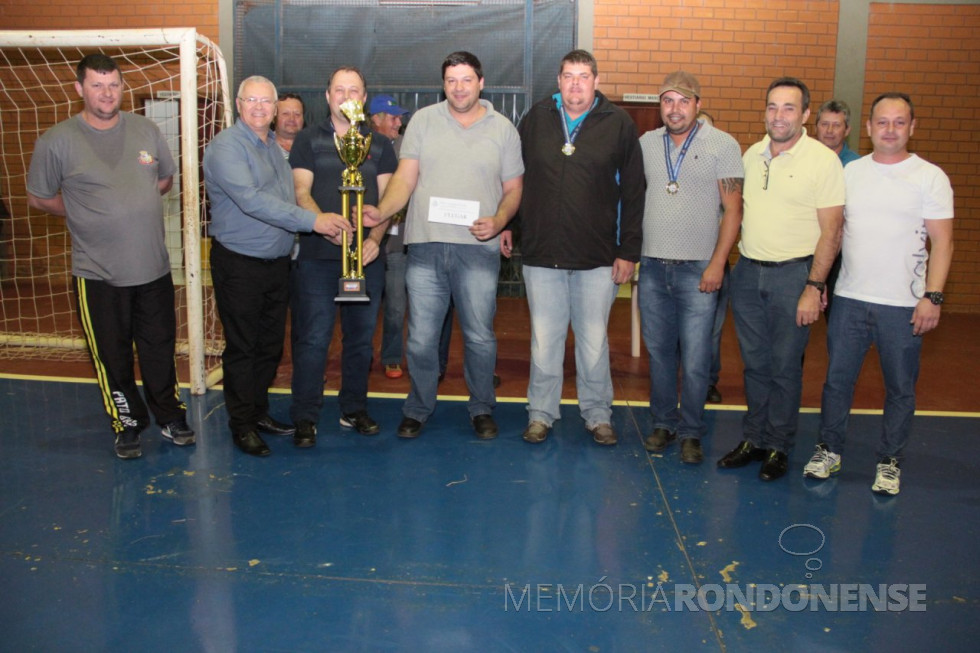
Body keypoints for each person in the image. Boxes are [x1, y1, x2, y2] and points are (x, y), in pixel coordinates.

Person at [26, 53, 194, 460]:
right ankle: (127, 424)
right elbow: (39, 197)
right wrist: (85, 211)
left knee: (159, 350)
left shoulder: (146, 129)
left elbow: (166, 179)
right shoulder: (56, 141)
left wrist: (130, 201)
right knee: (112, 356)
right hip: (97, 274)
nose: (107, 93)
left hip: (153, 269)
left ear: (123, 87)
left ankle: (170, 417)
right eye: (97, 85)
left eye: (114, 84)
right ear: (80, 88)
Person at [365, 51, 524, 440]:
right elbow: (404, 179)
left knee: (479, 336)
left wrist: (500, 220)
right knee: (420, 337)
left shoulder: (503, 129)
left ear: (481, 83)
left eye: (466, 79)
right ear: (444, 84)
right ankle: (418, 407)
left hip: (477, 250)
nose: (459, 87)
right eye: (452, 80)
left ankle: (482, 407)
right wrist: (381, 211)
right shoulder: (422, 121)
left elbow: (514, 189)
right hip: (426, 248)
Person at [804, 93, 953, 496]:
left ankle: (890, 461)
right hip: (849, 299)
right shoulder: (848, 174)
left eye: (899, 122)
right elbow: (831, 235)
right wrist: (818, 286)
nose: (890, 129)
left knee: (900, 389)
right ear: (868, 128)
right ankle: (829, 450)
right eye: (882, 122)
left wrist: (932, 297)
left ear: (912, 127)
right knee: (837, 382)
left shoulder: (930, 177)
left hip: (903, 307)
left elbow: (943, 243)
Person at [203, 75, 352, 456]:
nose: (258, 107)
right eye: (251, 100)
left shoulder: (272, 146)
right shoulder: (226, 148)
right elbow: (252, 201)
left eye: (265, 102)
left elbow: (289, 196)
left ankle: (258, 412)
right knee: (243, 347)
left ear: (273, 109)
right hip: (239, 263)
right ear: (238, 104)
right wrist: (314, 222)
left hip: (276, 264)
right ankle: (241, 424)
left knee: (269, 347)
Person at [514, 49, 644, 446]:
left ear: (596, 81)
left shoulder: (619, 124)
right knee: (545, 339)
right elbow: (516, 180)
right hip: (542, 254)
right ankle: (540, 413)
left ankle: (597, 414)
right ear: (558, 80)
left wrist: (628, 251)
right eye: (568, 75)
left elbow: (635, 191)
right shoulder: (536, 119)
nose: (575, 84)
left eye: (583, 76)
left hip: (597, 257)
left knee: (592, 342)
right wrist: (509, 226)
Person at [716, 77, 844, 481]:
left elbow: (832, 231)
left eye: (789, 108)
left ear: (806, 114)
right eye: (772, 106)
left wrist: (814, 286)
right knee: (754, 366)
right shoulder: (751, 155)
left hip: (795, 277)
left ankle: (778, 446)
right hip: (749, 273)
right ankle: (754, 438)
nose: (779, 115)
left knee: (785, 367)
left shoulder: (823, 161)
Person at [637, 71, 743, 464]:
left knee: (697, 358)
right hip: (652, 267)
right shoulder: (646, 144)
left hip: (699, 269)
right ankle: (663, 424)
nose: (675, 108)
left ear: (698, 104)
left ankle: (692, 431)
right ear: (660, 106)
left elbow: (734, 210)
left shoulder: (723, 145)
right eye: (667, 101)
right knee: (661, 354)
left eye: (683, 101)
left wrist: (717, 263)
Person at [288, 68, 398, 447]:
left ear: (363, 98)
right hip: (318, 256)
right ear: (327, 95)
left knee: (361, 340)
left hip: (366, 259)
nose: (346, 96)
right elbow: (300, 190)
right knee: (313, 339)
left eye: (354, 90)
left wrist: (376, 239)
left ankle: (353, 408)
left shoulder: (380, 145)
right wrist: (323, 222)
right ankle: (305, 415)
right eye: (340, 89)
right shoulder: (307, 139)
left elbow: (387, 203)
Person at [370, 94, 411, 380]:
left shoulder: (406, 149)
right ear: (376, 119)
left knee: (396, 305)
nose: (399, 122)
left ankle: (392, 357)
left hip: (396, 244)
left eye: (399, 117)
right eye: (393, 117)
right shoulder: (359, 147)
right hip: (365, 240)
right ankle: (358, 356)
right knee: (362, 304)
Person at [815, 99, 860, 313]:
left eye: (837, 125)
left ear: (847, 129)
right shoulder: (801, 160)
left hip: (841, 255)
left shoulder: (856, 167)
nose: (830, 131)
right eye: (824, 124)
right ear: (816, 127)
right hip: (802, 250)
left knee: (837, 318)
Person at [814, 99, 860, 166]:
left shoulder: (856, 165)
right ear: (815, 128)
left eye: (836, 125)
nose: (829, 130)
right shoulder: (803, 160)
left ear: (847, 131)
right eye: (824, 124)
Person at [274, 92, 305, 157]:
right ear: (274, 117)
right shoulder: (263, 146)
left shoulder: (313, 146)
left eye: (297, 114)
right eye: (285, 113)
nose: (292, 119)